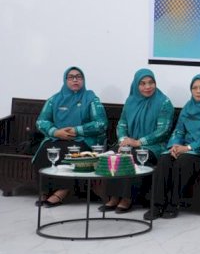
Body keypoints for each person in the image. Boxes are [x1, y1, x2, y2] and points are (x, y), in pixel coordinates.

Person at [146, 74, 200, 220]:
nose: (198, 91)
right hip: (183, 148)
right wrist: (174, 146)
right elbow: (179, 130)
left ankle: (173, 204)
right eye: (194, 88)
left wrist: (188, 148)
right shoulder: (187, 108)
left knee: (182, 162)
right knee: (164, 159)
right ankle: (157, 205)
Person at [98, 68, 174, 214]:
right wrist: (123, 140)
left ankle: (127, 198)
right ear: (136, 85)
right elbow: (122, 124)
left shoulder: (164, 102)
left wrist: (138, 142)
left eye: (151, 82)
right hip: (130, 143)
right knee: (112, 154)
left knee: (131, 155)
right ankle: (113, 196)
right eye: (143, 83)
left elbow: (163, 131)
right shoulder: (130, 100)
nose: (147, 87)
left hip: (154, 146)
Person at [33, 66, 108, 207]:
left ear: (83, 80)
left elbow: (101, 123)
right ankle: (45, 190)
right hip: (57, 137)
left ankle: (62, 191)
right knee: (45, 151)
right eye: (71, 77)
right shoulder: (54, 99)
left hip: (83, 140)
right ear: (65, 80)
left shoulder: (91, 99)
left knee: (72, 152)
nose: (75, 80)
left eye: (79, 77)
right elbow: (41, 121)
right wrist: (55, 132)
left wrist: (77, 130)